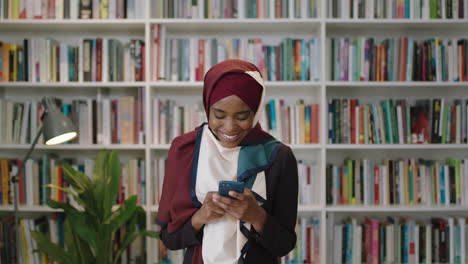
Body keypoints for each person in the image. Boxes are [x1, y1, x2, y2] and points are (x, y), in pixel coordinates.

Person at [156, 59, 298, 264]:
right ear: (207, 107)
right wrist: (201, 217)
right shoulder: (184, 150)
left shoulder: (278, 157)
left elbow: (284, 245)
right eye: (219, 115)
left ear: (256, 110)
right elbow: (170, 239)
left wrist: (256, 215)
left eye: (242, 116)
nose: (230, 127)